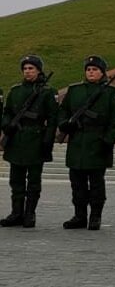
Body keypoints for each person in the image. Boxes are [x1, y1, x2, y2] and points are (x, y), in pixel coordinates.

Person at [57, 55, 115, 230]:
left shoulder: (110, 92)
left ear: (102, 72)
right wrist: (66, 124)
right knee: (77, 183)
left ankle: (95, 216)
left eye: (95, 69)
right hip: (77, 142)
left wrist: (108, 141)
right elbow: (63, 112)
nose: (91, 72)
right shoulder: (75, 90)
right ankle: (79, 215)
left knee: (96, 184)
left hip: (98, 142)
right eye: (88, 69)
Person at [0, 54, 58, 228]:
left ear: (38, 70)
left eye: (31, 68)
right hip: (17, 138)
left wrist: (47, 140)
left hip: (35, 138)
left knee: (33, 180)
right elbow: (8, 112)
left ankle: (30, 213)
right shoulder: (16, 90)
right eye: (25, 68)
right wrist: (7, 126)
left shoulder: (47, 92)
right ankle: (16, 212)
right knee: (16, 180)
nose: (27, 71)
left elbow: (52, 118)